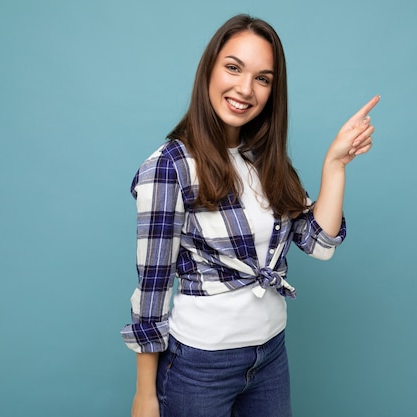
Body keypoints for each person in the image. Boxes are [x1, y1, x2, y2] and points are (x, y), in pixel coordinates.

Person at [121, 13, 379, 417]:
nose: (245, 88)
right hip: (200, 367)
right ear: (209, 69)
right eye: (233, 68)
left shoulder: (264, 159)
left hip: (270, 355)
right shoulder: (169, 167)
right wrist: (145, 395)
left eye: (263, 78)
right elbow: (152, 287)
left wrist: (335, 165)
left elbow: (319, 244)